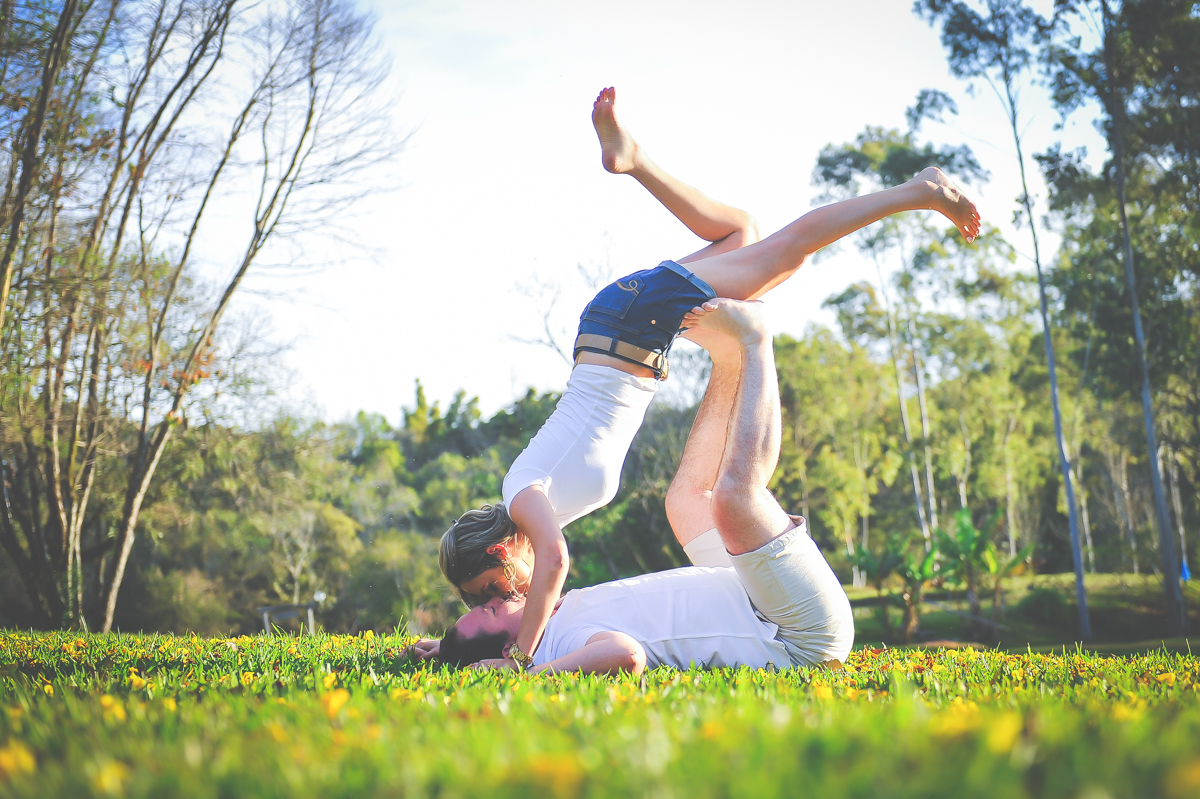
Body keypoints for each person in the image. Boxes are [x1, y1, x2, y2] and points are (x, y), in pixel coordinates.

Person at [436, 86, 979, 672]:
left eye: (492, 588)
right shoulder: (540, 500)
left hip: (630, 326)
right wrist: (449, 649)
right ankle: (634, 160)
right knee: (743, 231)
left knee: (789, 252)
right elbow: (536, 581)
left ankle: (920, 191)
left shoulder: (525, 497)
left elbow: (554, 564)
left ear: (498, 550)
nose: (506, 597)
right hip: (630, 329)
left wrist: (517, 656)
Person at [421, 300, 853, 673]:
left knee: (685, 501)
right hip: (795, 632)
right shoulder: (557, 646)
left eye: (488, 599)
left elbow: (514, 611)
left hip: (746, 592)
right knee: (734, 499)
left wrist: (452, 649)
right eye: (489, 609)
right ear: (511, 645)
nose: (500, 599)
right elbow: (625, 655)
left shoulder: (552, 616)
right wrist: (518, 665)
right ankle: (757, 342)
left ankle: (729, 358)